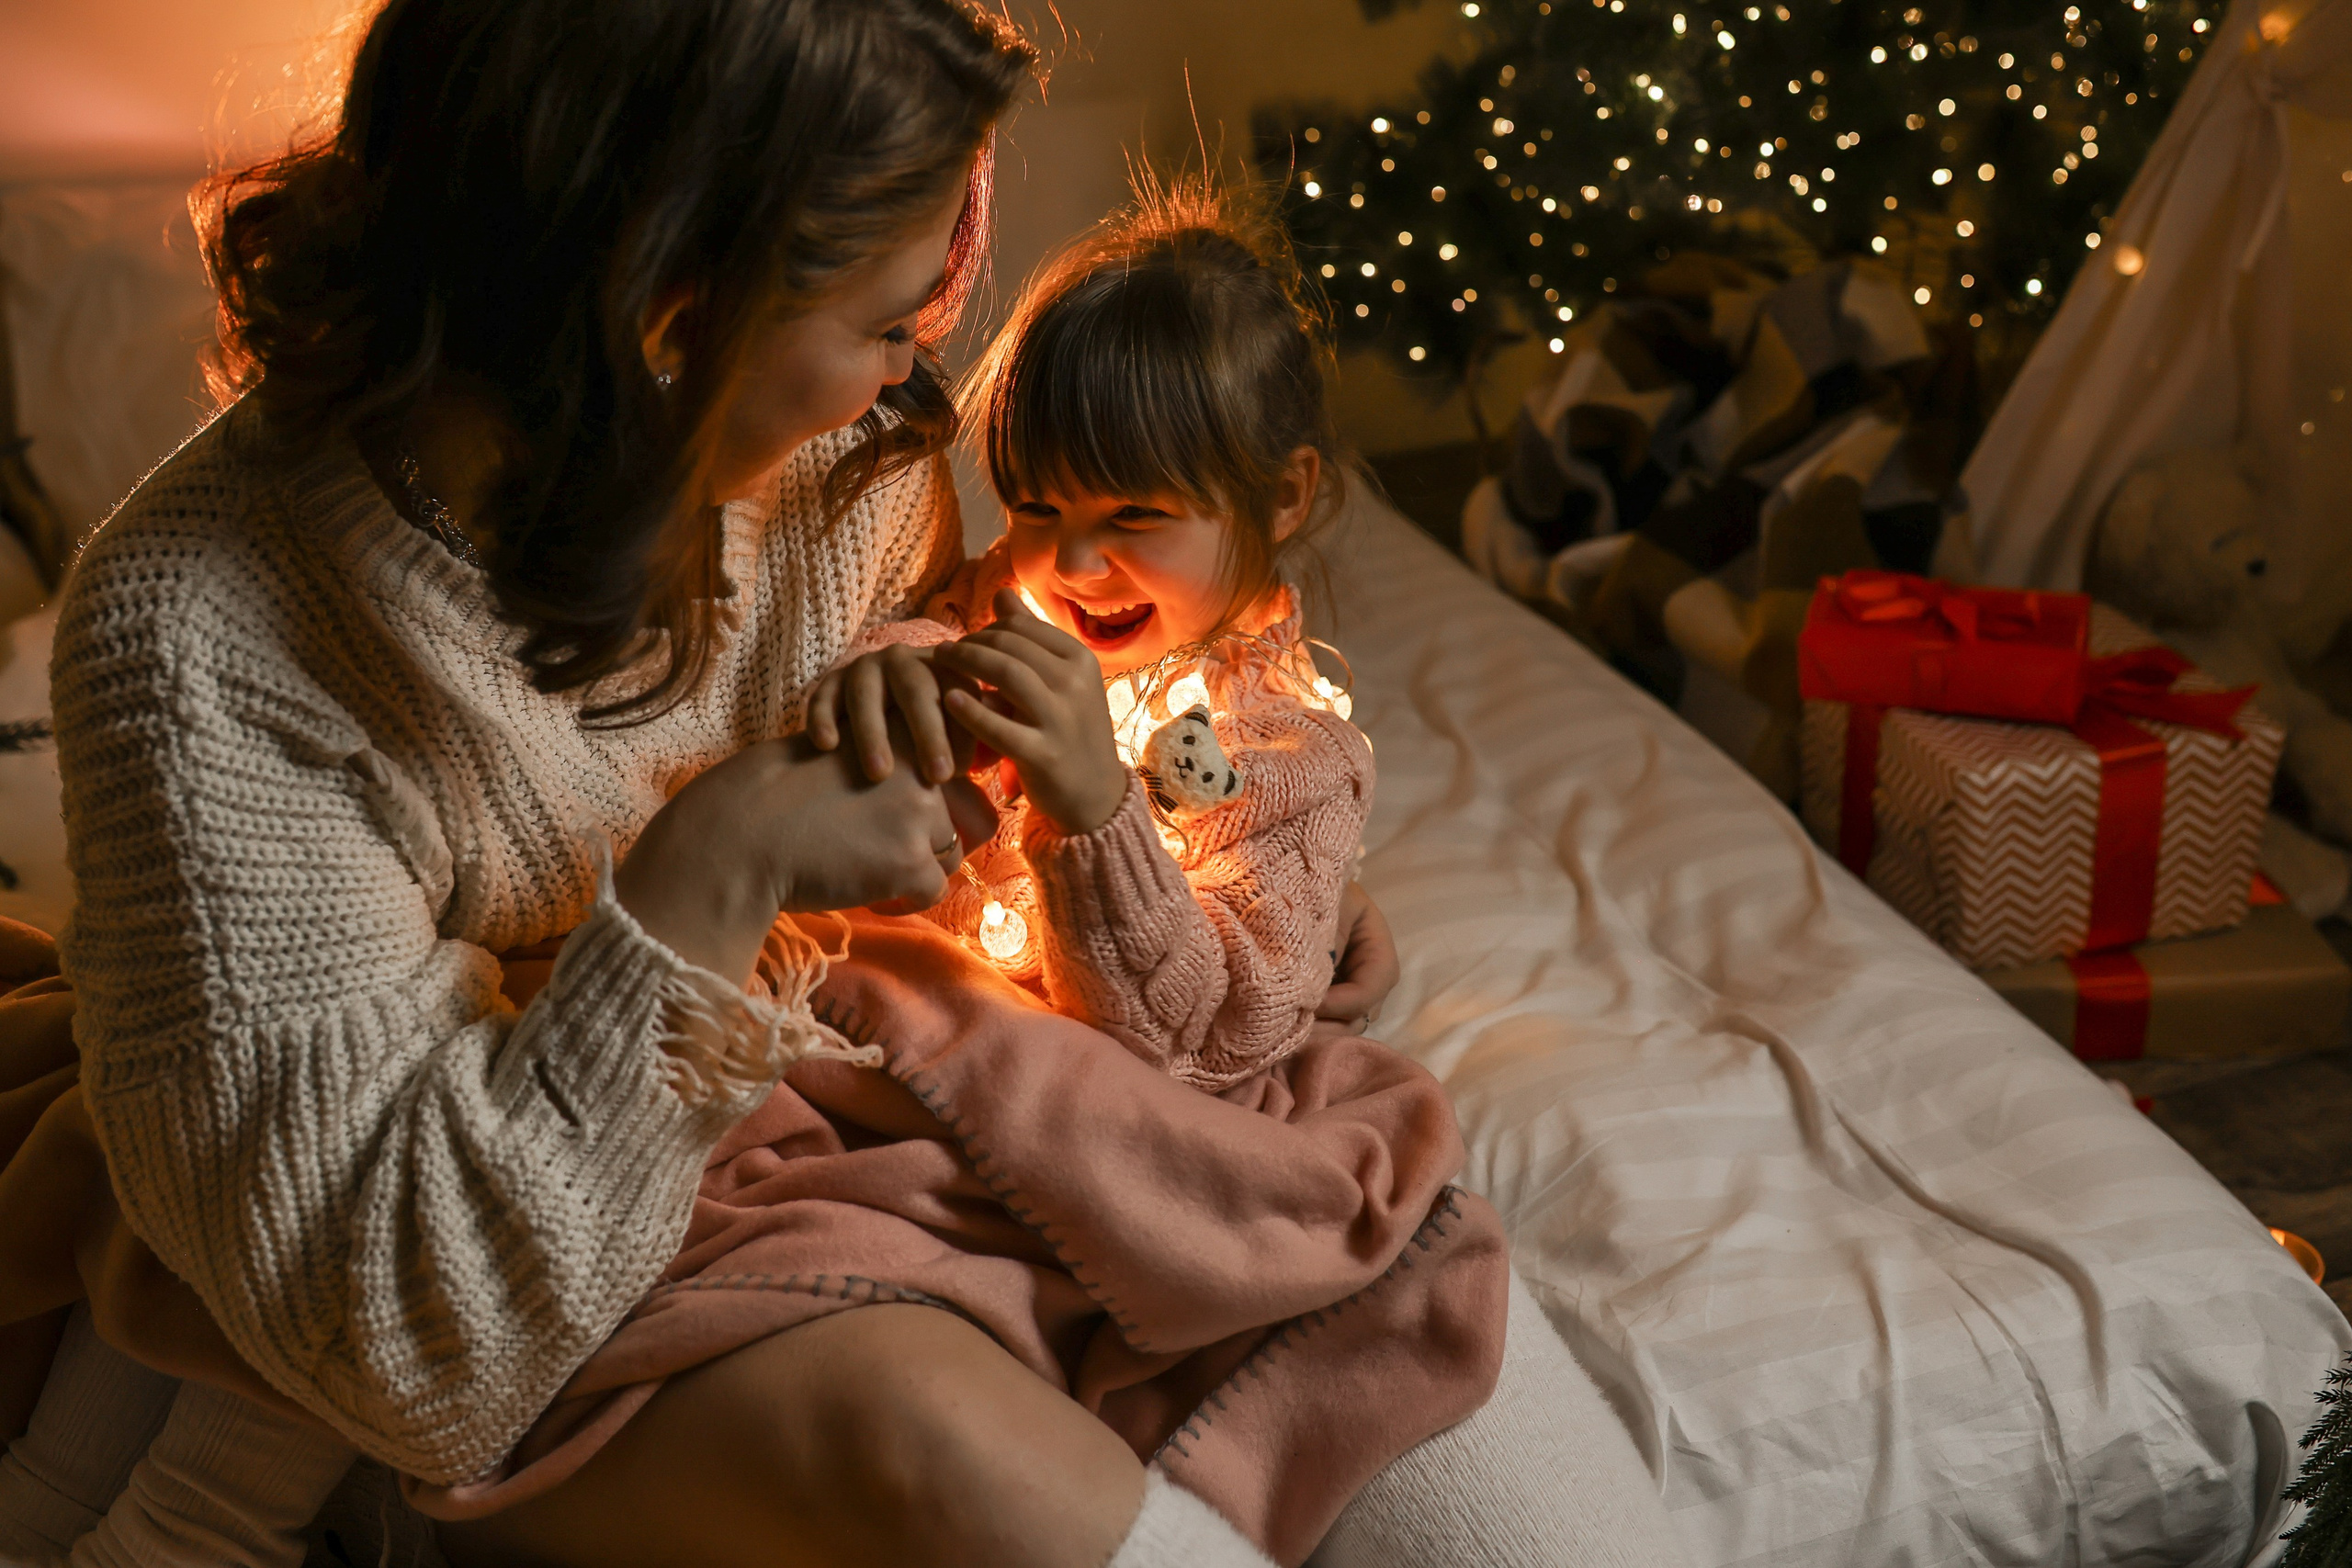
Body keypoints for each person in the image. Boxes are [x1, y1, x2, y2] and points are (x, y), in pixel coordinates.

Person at [0, 2, 1689, 1565]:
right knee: (935, 1435)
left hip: (885, 1092)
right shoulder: (202, 634)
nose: (912, 380)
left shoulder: (845, 468)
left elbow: (984, 798)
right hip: (519, 1251)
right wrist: (712, 868)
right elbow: (404, 1346)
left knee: (1369, 1288)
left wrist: (1195, 859)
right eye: (887, 320)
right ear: (672, 318)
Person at [808, 179, 1373, 1090]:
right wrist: (892, 680)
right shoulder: (999, 606)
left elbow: (1196, 1040)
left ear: (1281, 496)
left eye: (1134, 514)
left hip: (1067, 1083)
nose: (1070, 563)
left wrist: (1094, 815)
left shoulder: (1294, 762)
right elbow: (924, 640)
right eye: (1036, 506)